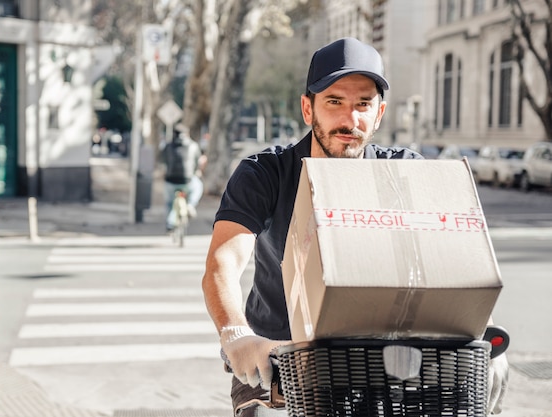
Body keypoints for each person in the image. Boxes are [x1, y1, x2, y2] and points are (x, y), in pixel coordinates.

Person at [201, 37, 509, 416]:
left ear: (379, 114)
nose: (350, 119)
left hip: (380, 365)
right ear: (307, 109)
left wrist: (486, 339)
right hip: (277, 364)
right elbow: (223, 263)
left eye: (363, 104)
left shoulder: (404, 172)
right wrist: (237, 335)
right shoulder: (265, 173)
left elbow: (456, 260)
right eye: (334, 102)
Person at [159, 124, 204, 230]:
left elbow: (162, 161)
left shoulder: (168, 146)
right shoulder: (193, 145)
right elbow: (197, 162)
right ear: (187, 134)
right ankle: (190, 205)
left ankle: (170, 224)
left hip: (170, 180)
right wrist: (196, 171)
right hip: (188, 180)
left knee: (169, 202)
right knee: (198, 186)